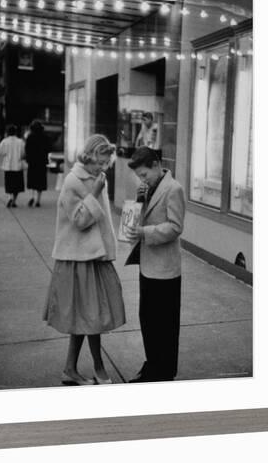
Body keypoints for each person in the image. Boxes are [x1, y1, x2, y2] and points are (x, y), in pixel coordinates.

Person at [43, 134, 126, 386]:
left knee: (87, 316)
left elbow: (102, 222)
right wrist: (95, 193)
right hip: (77, 259)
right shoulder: (73, 181)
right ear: (89, 155)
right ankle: (98, 368)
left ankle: (70, 369)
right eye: (100, 161)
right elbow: (79, 221)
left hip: (94, 257)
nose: (103, 167)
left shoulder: (96, 178)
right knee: (91, 316)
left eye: (106, 162)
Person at [124, 146, 185, 382]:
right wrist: (140, 199)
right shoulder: (148, 189)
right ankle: (151, 364)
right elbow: (140, 218)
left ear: (157, 165)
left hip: (166, 269)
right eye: (139, 176)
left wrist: (145, 232)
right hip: (148, 266)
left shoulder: (173, 189)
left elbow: (176, 226)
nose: (142, 179)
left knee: (165, 325)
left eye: (144, 174)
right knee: (147, 319)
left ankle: (165, 371)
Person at [0, 124, 25, 208]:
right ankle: (14, 200)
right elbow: (23, 153)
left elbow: (0, 151)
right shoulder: (20, 142)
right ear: (15, 132)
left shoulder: (5, 141)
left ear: (7, 132)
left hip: (8, 166)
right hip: (17, 166)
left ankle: (9, 197)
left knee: (8, 183)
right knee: (17, 185)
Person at [25, 120, 50, 207]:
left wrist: (27, 159)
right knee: (40, 181)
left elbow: (27, 149)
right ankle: (38, 199)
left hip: (32, 162)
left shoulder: (30, 137)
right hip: (42, 162)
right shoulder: (45, 137)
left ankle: (32, 196)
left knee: (32, 180)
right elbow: (48, 148)